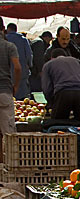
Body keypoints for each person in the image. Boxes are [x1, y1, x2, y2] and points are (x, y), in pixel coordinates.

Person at [41, 48, 80, 122]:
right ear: (66, 56)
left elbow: (47, 88)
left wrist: (51, 103)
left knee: (58, 124)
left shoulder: (48, 65)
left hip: (62, 94)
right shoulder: (76, 61)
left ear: (52, 58)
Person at [0, 17, 20, 148]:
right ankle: (10, 164)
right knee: (8, 135)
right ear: (3, 29)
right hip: (4, 92)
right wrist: (16, 86)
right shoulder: (9, 46)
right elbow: (17, 67)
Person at [5, 23, 31, 100]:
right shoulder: (23, 40)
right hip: (21, 73)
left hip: (6, 74)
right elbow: (29, 56)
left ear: (8, 29)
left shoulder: (4, 40)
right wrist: (29, 66)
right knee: (22, 101)